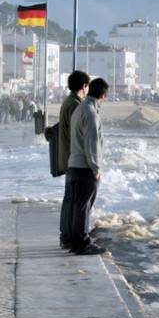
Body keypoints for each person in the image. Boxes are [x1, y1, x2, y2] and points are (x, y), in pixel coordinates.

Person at [67, 77, 110, 256]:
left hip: (74, 165)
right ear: (103, 96)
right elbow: (91, 144)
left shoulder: (80, 109)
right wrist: (96, 168)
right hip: (85, 168)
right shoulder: (92, 114)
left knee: (77, 206)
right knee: (83, 207)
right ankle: (83, 243)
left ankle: (76, 242)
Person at [58, 70, 90, 250]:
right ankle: (68, 236)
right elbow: (76, 134)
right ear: (83, 86)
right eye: (87, 86)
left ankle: (66, 236)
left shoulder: (68, 102)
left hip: (67, 157)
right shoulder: (75, 105)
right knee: (72, 200)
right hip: (73, 159)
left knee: (69, 199)